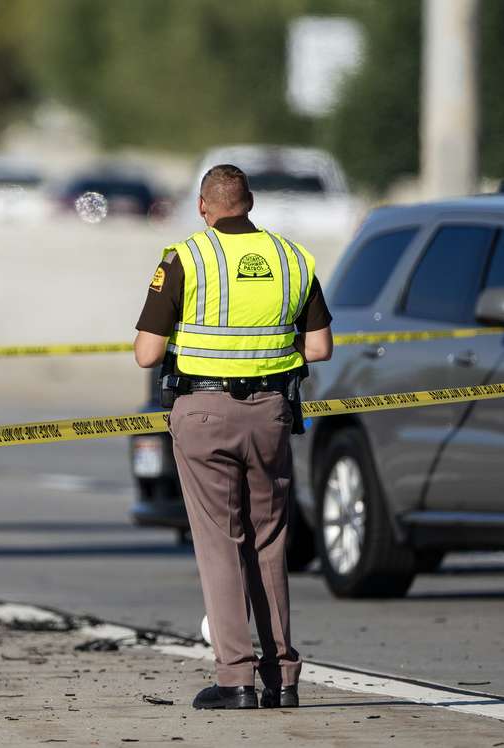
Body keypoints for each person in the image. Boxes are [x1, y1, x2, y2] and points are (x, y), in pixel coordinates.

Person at [133, 164, 333, 710]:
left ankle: (235, 679)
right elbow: (318, 349)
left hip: (203, 414)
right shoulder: (294, 260)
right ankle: (283, 678)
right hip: (270, 413)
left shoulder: (185, 258)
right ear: (251, 203)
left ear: (204, 206)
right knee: (269, 542)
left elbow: (147, 354)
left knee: (221, 544)